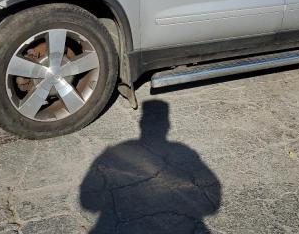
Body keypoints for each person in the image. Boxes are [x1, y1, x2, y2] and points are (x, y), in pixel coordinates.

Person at [80, 100, 221, 233]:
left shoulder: (115, 151)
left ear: (140, 123)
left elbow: (87, 202)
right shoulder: (183, 150)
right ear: (168, 125)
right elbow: (211, 203)